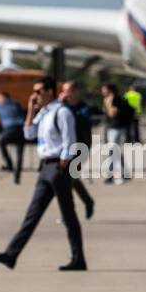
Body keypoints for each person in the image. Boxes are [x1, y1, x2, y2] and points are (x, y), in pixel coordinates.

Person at [0, 77, 87, 271]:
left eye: (39, 91)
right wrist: (31, 109)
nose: (36, 95)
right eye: (35, 91)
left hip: (57, 167)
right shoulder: (44, 113)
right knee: (32, 215)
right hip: (45, 168)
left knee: (68, 215)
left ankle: (78, 258)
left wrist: (64, 163)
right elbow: (29, 134)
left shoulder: (62, 112)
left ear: (50, 91)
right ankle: (11, 255)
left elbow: (70, 140)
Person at [62, 81, 96, 217]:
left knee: (69, 179)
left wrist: (64, 107)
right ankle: (88, 201)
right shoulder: (62, 107)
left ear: (76, 92)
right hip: (66, 146)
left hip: (81, 146)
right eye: (64, 91)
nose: (66, 94)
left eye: (68, 90)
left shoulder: (84, 108)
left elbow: (81, 120)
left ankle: (68, 214)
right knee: (71, 178)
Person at [0, 91, 26, 183]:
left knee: (0, 141)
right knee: (19, 155)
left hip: (10, 129)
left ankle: (9, 164)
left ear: (3, 98)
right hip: (21, 130)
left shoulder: (0, 105)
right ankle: (17, 175)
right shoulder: (16, 103)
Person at [101, 83, 133, 184]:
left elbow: (113, 113)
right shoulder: (106, 100)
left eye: (104, 89)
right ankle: (125, 174)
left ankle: (110, 176)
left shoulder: (117, 99)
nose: (102, 91)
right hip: (111, 127)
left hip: (117, 127)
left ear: (110, 90)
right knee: (116, 152)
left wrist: (111, 109)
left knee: (112, 151)